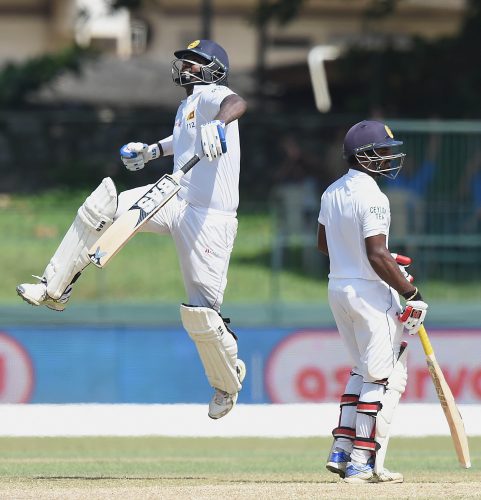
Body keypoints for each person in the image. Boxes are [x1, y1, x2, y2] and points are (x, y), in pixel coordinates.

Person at [16, 39, 248, 420]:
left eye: (194, 63)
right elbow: (186, 140)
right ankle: (54, 286)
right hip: (175, 195)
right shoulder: (188, 105)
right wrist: (151, 151)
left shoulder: (213, 96)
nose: (186, 68)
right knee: (103, 207)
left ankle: (227, 378)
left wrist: (221, 123)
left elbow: (236, 104)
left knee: (202, 315)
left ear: (213, 70)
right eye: (184, 62)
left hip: (210, 218)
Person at [317, 120, 428, 483]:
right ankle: (363, 462)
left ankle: (341, 450)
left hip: (339, 288)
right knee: (379, 377)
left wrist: (375, 258)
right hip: (369, 292)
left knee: (361, 369)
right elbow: (377, 255)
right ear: (366, 156)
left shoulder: (331, 191)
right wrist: (412, 294)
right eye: (383, 151)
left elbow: (325, 245)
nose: (388, 158)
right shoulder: (375, 197)